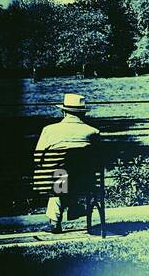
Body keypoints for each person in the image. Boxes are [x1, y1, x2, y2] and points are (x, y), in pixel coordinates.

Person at [34, 93, 102, 233]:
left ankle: (55, 222)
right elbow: (98, 160)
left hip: (58, 180)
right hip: (84, 181)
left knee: (60, 178)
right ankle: (74, 206)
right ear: (83, 114)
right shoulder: (93, 132)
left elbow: (38, 158)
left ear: (63, 111)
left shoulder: (49, 130)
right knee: (69, 175)